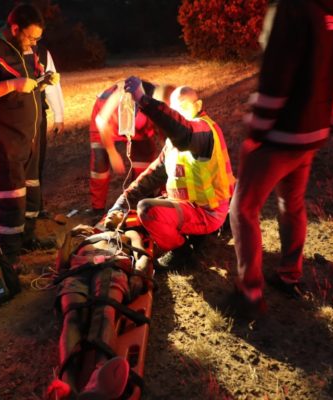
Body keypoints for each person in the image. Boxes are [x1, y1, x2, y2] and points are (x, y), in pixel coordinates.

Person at [229, 0, 333, 316]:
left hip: (282, 134)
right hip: (310, 131)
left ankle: (250, 292)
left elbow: (277, 74)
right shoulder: (328, 11)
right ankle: (289, 274)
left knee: (242, 208)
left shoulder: (290, 9)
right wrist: (321, 119)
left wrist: (257, 127)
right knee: (291, 203)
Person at [0, 3, 59, 265]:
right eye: (30, 37)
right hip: (5, 139)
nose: (34, 43)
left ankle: (27, 239)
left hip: (29, 137)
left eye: (37, 39)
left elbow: (29, 80)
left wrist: (43, 80)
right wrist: (12, 85)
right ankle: (8, 257)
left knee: (30, 194)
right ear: (14, 29)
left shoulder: (28, 46)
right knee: (10, 198)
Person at [106, 79, 235, 270]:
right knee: (152, 202)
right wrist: (123, 201)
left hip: (207, 212)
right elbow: (153, 175)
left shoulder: (202, 130)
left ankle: (181, 253)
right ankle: (195, 236)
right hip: (193, 207)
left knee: (147, 210)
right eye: (175, 108)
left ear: (198, 105)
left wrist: (143, 100)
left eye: (183, 105)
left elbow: (183, 133)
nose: (178, 113)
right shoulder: (175, 142)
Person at [48, 223, 151, 399]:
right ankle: (66, 385)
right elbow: (62, 265)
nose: (110, 215)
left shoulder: (128, 233)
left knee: (104, 310)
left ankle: (99, 377)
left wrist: (137, 273)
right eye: (109, 213)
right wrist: (70, 235)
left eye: (115, 212)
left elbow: (142, 255)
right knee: (72, 317)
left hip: (112, 266)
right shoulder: (85, 239)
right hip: (78, 271)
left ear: (123, 219)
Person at [88, 81, 175, 217]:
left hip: (138, 125)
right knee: (100, 162)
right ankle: (97, 210)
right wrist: (112, 152)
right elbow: (101, 121)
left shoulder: (165, 102)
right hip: (108, 119)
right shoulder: (125, 95)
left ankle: (138, 200)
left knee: (144, 161)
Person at [37, 42, 65, 217]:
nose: (33, 40)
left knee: (37, 161)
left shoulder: (41, 51)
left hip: (38, 113)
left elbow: (52, 83)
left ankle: (35, 205)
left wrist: (59, 116)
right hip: (13, 117)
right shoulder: (4, 49)